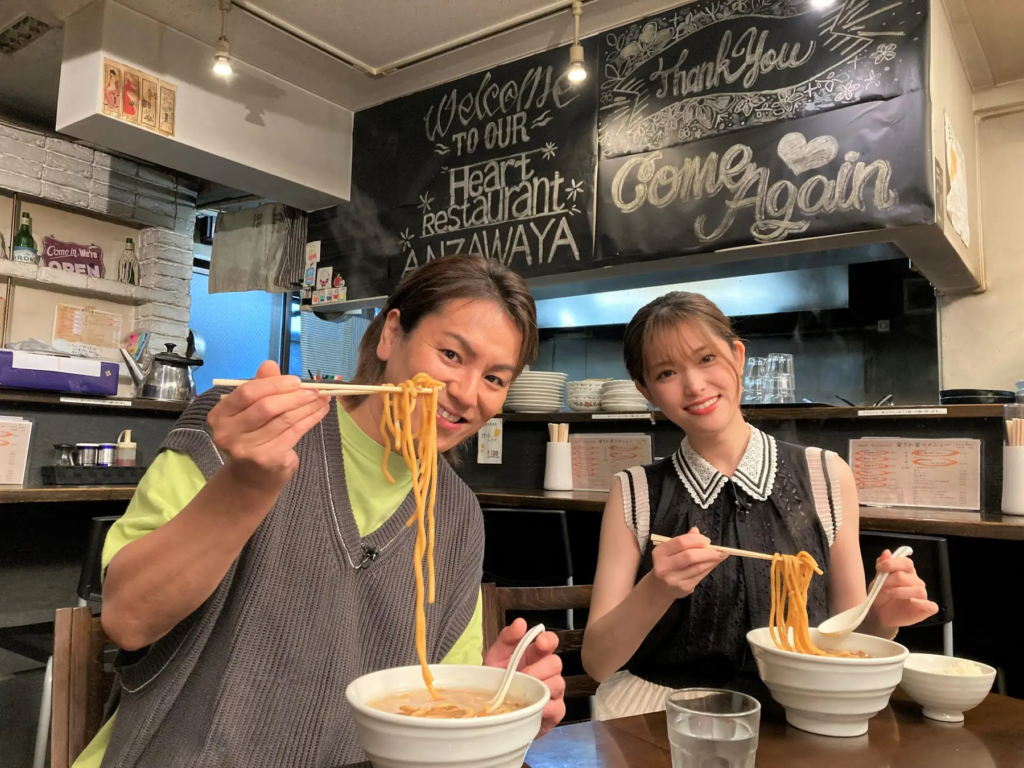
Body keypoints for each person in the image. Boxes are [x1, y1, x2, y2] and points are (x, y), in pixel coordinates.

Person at [75, 255, 565, 767]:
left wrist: (493, 703)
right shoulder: (243, 433)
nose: (466, 393)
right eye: (450, 354)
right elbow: (129, 619)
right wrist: (245, 483)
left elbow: (432, 710)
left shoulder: (458, 515)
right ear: (391, 335)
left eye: (495, 378)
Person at [581, 291, 937, 720]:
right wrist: (657, 588)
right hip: (665, 713)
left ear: (738, 356)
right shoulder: (635, 490)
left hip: (802, 704)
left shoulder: (826, 475)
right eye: (667, 372)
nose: (694, 385)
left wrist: (884, 618)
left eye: (707, 359)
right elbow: (598, 663)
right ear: (646, 391)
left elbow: (849, 634)